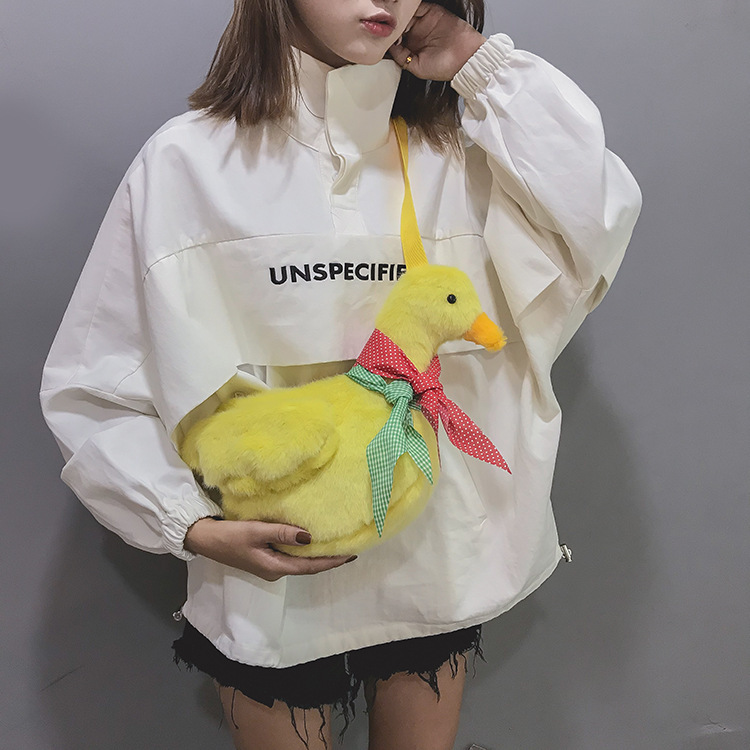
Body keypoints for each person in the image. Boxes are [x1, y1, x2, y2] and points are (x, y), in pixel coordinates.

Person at [39, 0, 642, 748]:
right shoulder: (186, 166)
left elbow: (594, 221)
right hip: (268, 578)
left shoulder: (461, 158)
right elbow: (95, 380)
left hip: (437, 559)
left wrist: (478, 66)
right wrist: (185, 523)